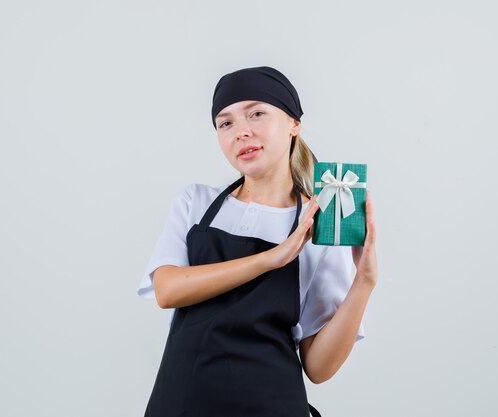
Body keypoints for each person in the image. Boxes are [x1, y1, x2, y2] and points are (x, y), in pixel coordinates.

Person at [137, 66, 378, 417]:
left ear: (294, 123)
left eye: (257, 113)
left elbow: (319, 367)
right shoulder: (196, 203)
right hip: (180, 405)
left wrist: (365, 283)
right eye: (226, 123)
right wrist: (269, 259)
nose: (241, 132)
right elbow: (167, 290)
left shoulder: (319, 225)